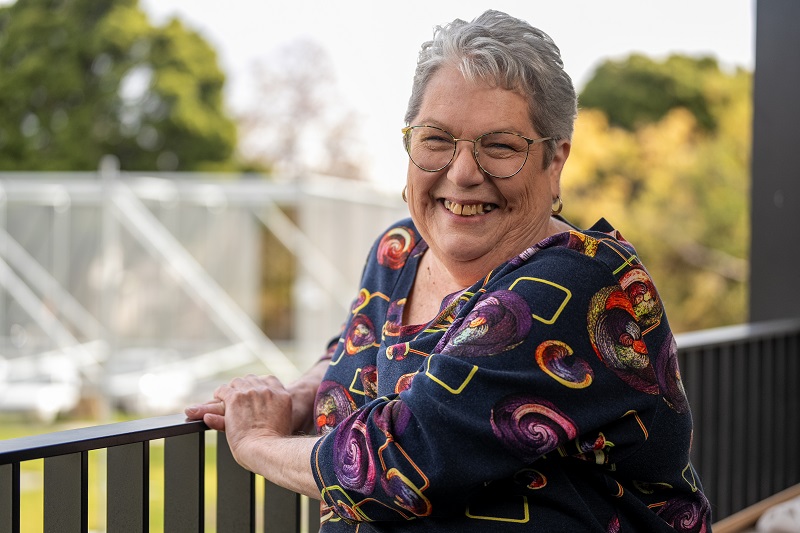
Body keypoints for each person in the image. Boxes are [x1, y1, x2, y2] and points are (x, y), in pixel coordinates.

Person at [186, 9, 711, 532]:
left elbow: (408, 460)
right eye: (436, 139)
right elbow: (360, 345)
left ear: (555, 163)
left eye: (501, 146)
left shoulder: (573, 285)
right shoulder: (398, 252)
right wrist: (302, 392)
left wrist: (257, 443)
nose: (462, 174)